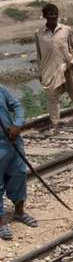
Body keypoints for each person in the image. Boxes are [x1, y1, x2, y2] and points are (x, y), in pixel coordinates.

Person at [34, 3, 73, 130]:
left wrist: (72, 61)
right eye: (50, 14)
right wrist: (40, 72)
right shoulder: (38, 33)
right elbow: (39, 54)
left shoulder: (66, 30)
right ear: (45, 16)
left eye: (55, 14)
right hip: (48, 71)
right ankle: (55, 123)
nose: (53, 16)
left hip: (66, 68)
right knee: (52, 97)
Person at [0, 85, 37, 241]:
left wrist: (17, 124)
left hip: (13, 142)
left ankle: (19, 212)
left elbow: (17, 106)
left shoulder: (1, 89)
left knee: (19, 175)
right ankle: (1, 222)